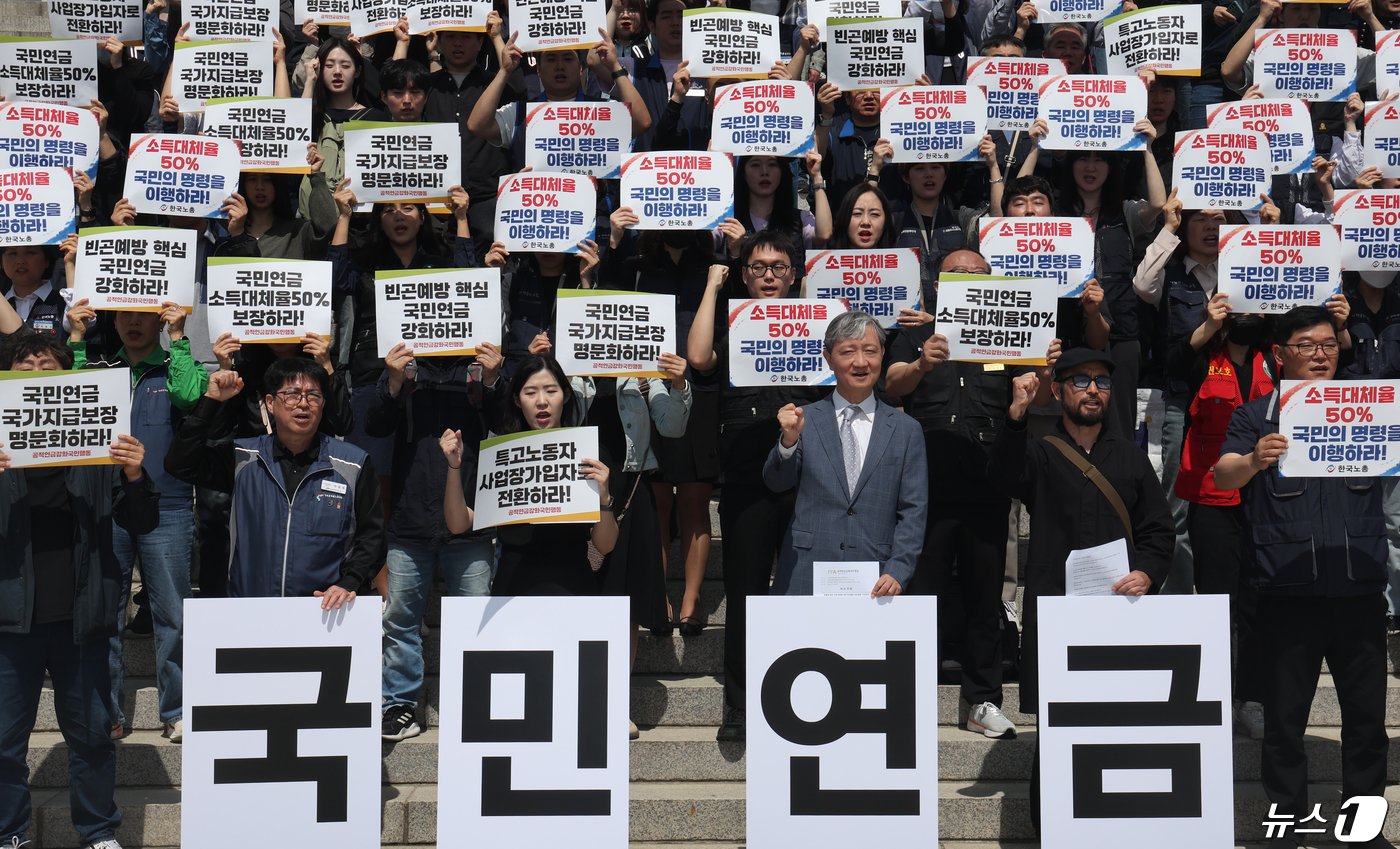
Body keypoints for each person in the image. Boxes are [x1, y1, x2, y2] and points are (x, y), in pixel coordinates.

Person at [1214, 306, 1391, 849]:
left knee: (1365, 724)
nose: (1321, 354)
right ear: (1280, 354)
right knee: (1285, 723)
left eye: (1329, 345)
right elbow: (1222, 473)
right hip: (1286, 591)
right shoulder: (1255, 415)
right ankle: (1285, 826)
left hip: (1358, 585)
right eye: (1307, 345)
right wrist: (1254, 460)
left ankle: (1363, 831)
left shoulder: (1366, 406)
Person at [988, 346, 1175, 830]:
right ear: (1059, 391)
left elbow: (1159, 530)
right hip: (1058, 616)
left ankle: (1112, 822)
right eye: (1080, 381)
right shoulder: (1041, 452)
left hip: (1120, 613)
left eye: (1103, 382)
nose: (1093, 390)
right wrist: (1015, 415)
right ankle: (1051, 828)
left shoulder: (1131, 460)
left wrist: (1148, 573)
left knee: (1116, 721)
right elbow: (1003, 476)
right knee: (1057, 728)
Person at [884, 249, 1058, 740]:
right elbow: (891, 384)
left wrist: (1044, 370)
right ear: (939, 283)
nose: (967, 280)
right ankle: (907, 693)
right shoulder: (918, 331)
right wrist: (921, 362)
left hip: (988, 485)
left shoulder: (1009, 327)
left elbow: (1039, 397)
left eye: (978, 274)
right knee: (920, 594)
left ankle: (981, 700)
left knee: (985, 600)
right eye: (957, 274)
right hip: (925, 487)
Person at [0, 331, 158, 849]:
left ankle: (96, 832)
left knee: (92, 738)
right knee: (3, 742)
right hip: (10, 622)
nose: (38, 375)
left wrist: (135, 474)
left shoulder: (99, 446)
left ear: (70, 379)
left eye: (49, 365)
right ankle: (10, 834)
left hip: (82, 619)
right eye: (25, 367)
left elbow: (143, 521)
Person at [687, 232, 827, 742]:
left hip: (809, 476)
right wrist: (711, 287)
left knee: (800, 590)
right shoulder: (732, 324)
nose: (768, 275)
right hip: (747, 474)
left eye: (778, 267)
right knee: (746, 593)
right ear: (743, 274)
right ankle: (741, 702)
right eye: (758, 267)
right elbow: (699, 357)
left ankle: (803, 690)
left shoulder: (818, 324)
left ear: (794, 275)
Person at [65, 298, 208, 745]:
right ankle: (107, 712)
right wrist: (75, 341)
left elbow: (189, 395)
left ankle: (176, 709)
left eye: (143, 314)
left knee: (173, 615)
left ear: (158, 319)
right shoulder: (100, 367)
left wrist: (180, 338)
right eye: (124, 314)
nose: (132, 322)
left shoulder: (179, 365)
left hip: (167, 505)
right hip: (105, 506)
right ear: (113, 318)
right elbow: (67, 404)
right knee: (105, 617)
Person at [164, 359, 386, 607]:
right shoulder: (242, 458)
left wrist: (349, 582)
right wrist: (211, 401)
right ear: (270, 403)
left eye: (313, 395)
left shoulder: (353, 464)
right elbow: (179, 463)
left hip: (323, 613)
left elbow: (372, 535)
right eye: (291, 394)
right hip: (252, 611)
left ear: (323, 404)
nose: (303, 403)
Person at [371, 340, 504, 742]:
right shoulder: (405, 366)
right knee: (399, 620)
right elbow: (375, 425)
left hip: (472, 520)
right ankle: (399, 703)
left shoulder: (482, 367)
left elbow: (511, 424)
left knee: (476, 618)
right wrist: (393, 383)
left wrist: (496, 379)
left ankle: (477, 701)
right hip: (411, 520)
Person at [763, 309, 928, 595]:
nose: (861, 362)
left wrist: (899, 569)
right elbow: (776, 482)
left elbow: (913, 509)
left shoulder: (906, 429)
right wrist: (788, 441)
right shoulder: (804, 419)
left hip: (878, 578)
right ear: (828, 357)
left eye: (870, 351)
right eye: (848, 352)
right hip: (806, 570)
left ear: (883, 354)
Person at [487, 355, 619, 596]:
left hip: (572, 585)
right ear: (517, 400)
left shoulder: (588, 453)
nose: (541, 401)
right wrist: (454, 469)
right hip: (513, 587)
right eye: (530, 393)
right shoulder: (501, 454)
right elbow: (462, 522)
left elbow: (605, 545)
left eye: (550, 391)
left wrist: (604, 500)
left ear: (566, 395)